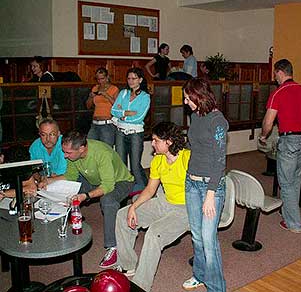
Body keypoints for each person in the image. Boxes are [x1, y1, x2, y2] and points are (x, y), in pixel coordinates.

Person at [40, 130, 137, 268]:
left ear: (81, 148)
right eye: (64, 152)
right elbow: (70, 177)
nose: (65, 156)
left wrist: (86, 196)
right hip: (94, 180)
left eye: (68, 153)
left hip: (120, 182)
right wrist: (49, 182)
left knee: (107, 201)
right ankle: (59, 227)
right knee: (65, 188)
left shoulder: (101, 153)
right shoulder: (74, 156)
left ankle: (113, 247)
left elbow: (108, 186)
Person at [114, 122, 190, 291]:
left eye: (156, 140)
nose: (152, 144)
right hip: (164, 202)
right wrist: (133, 207)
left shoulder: (187, 158)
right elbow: (150, 189)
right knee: (122, 214)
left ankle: (141, 286)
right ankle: (128, 264)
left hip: (185, 209)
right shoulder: (158, 160)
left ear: (169, 141)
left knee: (154, 233)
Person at [259, 58, 301, 234]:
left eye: (275, 73)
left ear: (280, 72)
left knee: (286, 182)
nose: (274, 77)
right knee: (295, 178)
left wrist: (263, 135)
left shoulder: (279, 92)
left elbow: (268, 121)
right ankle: (289, 214)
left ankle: (293, 223)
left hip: (290, 140)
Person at [182, 78, 229, 292]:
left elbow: (220, 160)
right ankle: (199, 275)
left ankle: (216, 288)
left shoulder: (217, 121)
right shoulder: (195, 115)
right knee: (197, 235)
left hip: (212, 187)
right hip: (191, 182)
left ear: (198, 96)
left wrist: (210, 193)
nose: (185, 102)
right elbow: (195, 146)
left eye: (187, 97)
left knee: (209, 239)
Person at [111, 68, 150, 192]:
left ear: (140, 80)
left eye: (134, 78)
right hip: (120, 132)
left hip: (135, 134)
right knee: (121, 163)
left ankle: (144, 191)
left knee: (135, 165)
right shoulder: (123, 93)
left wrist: (122, 116)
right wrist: (126, 113)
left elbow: (139, 117)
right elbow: (113, 110)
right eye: (129, 78)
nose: (131, 81)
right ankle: (123, 190)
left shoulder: (145, 96)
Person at [86, 67, 119, 147]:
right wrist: (90, 97)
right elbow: (88, 106)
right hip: (95, 124)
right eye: (98, 79)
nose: (100, 81)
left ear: (107, 77)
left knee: (106, 149)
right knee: (90, 147)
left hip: (107, 124)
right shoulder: (95, 88)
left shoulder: (114, 89)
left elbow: (117, 107)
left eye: (102, 78)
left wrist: (106, 95)